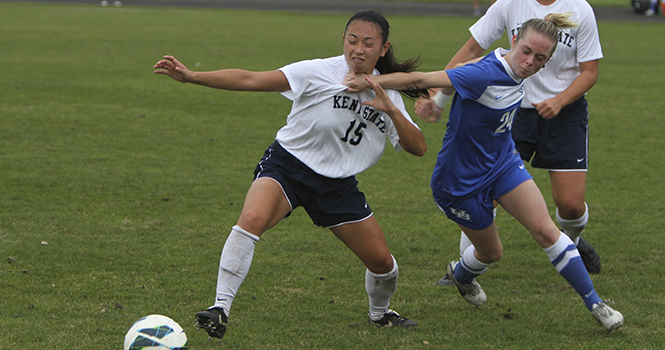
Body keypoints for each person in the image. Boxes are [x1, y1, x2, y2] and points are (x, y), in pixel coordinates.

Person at [153, 10, 428, 340]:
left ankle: (380, 314)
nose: (358, 49)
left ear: (383, 49)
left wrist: (392, 111)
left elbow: (419, 147)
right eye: (352, 40)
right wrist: (192, 76)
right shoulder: (319, 71)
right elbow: (252, 79)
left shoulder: (389, 94)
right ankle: (220, 308)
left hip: (336, 186)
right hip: (288, 167)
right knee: (252, 217)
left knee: (383, 263)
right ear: (343, 41)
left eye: (368, 43)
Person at [344, 13, 624, 331]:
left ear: (547, 63)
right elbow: (423, 79)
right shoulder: (484, 73)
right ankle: (462, 275)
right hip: (458, 184)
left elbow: (456, 74)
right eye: (527, 52)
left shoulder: (512, 68)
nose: (530, 62)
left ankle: (596, 304)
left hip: (503, 164)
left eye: (540, 58)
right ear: (514, 41)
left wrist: (440, 103)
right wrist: (371, 82)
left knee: (547, 231)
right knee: (491, 252)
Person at [416, 0, 603, 276]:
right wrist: (440, 97)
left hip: (565, 114)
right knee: (484, 195)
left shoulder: (581, 9)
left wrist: (559, 101)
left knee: (571, 204)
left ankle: (571, 243)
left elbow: (590, 72)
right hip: (512, 110)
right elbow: (472, 49)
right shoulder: (510, 3)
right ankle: (467, 268)